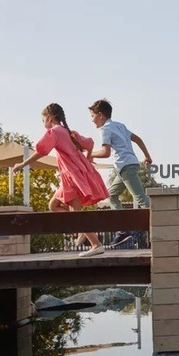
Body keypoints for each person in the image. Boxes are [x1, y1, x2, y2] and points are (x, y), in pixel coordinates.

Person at [12, 102, 109, 258]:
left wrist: (23, 164)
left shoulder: (55, 132)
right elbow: (89, 144)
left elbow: (41, 151)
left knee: (76, 213)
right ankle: (82, 229)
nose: (43, 123)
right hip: (74, 175)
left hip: (72, 176)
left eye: (43, 120)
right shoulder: (69, 132)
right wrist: (88, 158)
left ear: (50, 118)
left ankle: (96, 244)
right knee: (53, 205)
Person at [88, 99, 152, 248]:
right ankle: (123, 227)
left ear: (101, 115)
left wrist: (89, 155)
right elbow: (137, 139)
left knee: (141, 199)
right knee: (110, 195)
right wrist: (147, 156)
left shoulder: (104, 129)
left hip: (126, 166)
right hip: (127, 166)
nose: (92, 120)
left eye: (93, 116)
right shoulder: (119, 125)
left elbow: (105, 152)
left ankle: (162, 219)